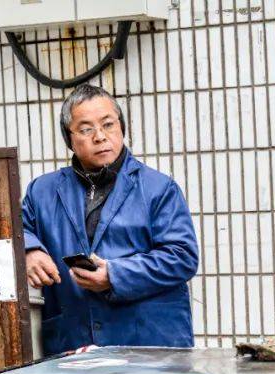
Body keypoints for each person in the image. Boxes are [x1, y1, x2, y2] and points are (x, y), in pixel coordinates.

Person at [22, 84, 199, 355]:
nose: (100, 137)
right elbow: (15, 228)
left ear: (122, 128)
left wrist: (116, 276)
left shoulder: (158, 188)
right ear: (69, 139)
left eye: (108, 125)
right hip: (73, 343)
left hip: (147, 344)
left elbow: (182, 256)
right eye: (86, 129)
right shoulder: (41, 191)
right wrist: (29, 250)